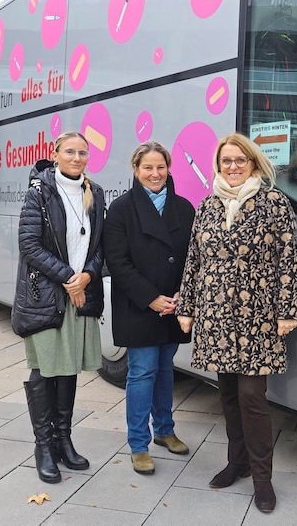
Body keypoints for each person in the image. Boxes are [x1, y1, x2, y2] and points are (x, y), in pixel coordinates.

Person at [176, 132, 297, 513]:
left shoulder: (274, 203)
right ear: (218, 165)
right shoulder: (208, 205)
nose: (232, 167)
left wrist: (288, 310)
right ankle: (238, 462)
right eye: (226, 161)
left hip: (257, 319)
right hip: (215, 317)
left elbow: (290, 261)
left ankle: (263, 480)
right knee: (227, 394)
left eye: (239, 160)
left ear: (253, 164)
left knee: (252, 396)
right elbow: (194, 260)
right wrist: (187, 306)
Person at [11, 131, 105, 484]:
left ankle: (64, 439)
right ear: (55, 154)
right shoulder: (40, 191)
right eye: (70, 151)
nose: (77, 157)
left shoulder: (93, 192)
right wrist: (69, 278)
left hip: (79, 293)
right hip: (47, 297)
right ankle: (44, 446)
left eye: (82, 152)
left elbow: (101, 246)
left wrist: (87, 277)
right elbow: (29, 245)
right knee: (45, 368)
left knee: (68, 369)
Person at [103, 141, 195, 475]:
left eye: (160, 167)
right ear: (136, 169)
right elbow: (118, 261)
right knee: (142, 371)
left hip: (172, 304)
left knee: (166, 369)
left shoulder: (184, 208)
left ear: (169, 169)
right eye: (148, 168)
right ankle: (139, 444)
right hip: (140, 305)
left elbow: (192, 259)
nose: (155, 174)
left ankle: (165, 430)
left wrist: (180, 296)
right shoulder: (121, 209)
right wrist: (151, 297)